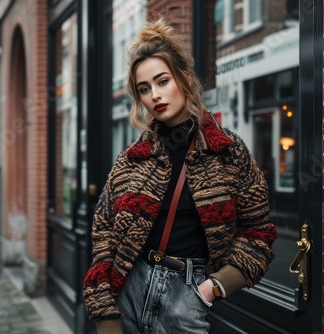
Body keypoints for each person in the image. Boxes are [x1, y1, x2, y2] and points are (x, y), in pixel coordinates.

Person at [83, 16, 277, 334]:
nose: (155, 95)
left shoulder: (227, 151)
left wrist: (211, 289)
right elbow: (103, 235)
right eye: (144, 89)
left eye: (163, 81)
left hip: (186, 298)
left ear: (184, 78)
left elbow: (259, 236)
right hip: (129, 292)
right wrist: (107, 316)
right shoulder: (132, 160)